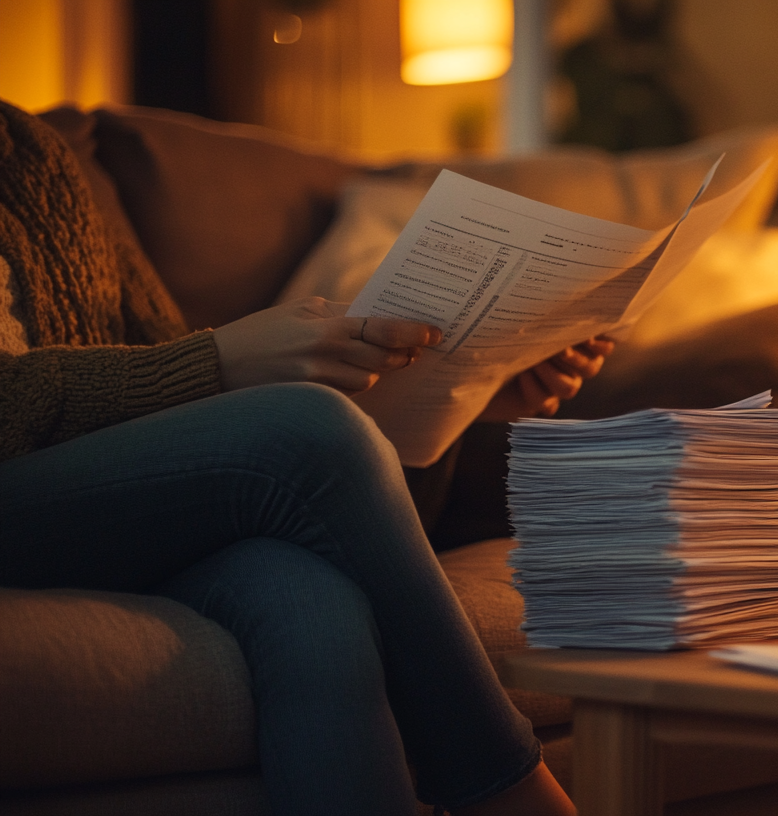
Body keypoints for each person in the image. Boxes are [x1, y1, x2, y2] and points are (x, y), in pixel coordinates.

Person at [0, 99, 609, 815]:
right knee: (307, 425)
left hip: (99, 494)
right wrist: (219, 360)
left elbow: (160, 362)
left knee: (304, 594)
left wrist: (467, 386)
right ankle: (507, 789)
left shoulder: (32, 154)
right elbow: (200, 375)